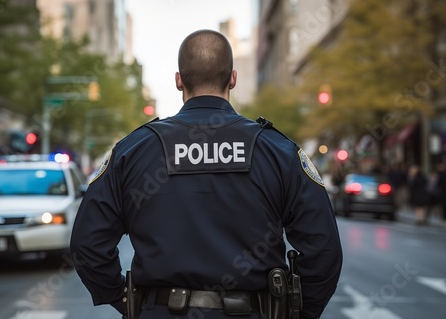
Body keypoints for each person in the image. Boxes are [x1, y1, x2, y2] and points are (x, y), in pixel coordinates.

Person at [70, 29, 343, 319]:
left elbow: (88, 245)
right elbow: (323, 250)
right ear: (232, 78)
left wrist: (127, 302)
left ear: (179, 80)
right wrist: (300, 312)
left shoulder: (133, 151)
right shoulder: (277, 151)